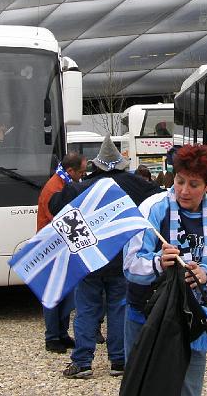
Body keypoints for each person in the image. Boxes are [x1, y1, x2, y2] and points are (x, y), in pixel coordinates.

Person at [123, 144, 207, 396]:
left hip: (193, 318)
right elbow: (131, 265)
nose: (184, 190)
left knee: (189, 389)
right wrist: (159, 261)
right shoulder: (152, 208)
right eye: (180, 181)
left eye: (193, 184)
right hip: (146, 316)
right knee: (142, 387)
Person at [49, 135, 163, 380]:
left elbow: (54, 205)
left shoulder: (80, 188)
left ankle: (83, 361)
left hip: (89, 259)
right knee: (120, 308)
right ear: (121, 164)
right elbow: (160, 202)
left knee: (86, 310)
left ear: (96, 165)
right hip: (123, 258)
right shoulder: (139, 185)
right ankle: (119, 361)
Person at [37, 153, 87, 354]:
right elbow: (59, 218)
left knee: (65, 291)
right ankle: (52, 337)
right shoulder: (54, 188)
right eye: (81, 172)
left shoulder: (62, 183)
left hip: (62, 246)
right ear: (71, 171)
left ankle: (62, 333)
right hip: (52, 247)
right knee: (53, 292)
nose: (83, 175)